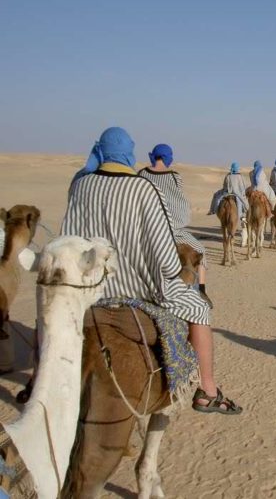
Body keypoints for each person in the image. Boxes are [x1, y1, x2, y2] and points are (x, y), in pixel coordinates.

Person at [65, 127, 241, 414]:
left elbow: (68, 237)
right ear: (129, 154)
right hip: (138, 288)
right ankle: (208, 390)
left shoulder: (80, 185)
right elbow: (165, 256)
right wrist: (180, 275)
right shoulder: (143, 188)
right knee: (199, 308)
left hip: (90, 288)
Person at [139, 144, 211, 306]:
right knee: (201, 251)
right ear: (167, 158)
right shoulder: (174, 176)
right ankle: (201, 290)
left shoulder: (142, 174)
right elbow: (178, 199)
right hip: (173, 230)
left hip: (147, 229)